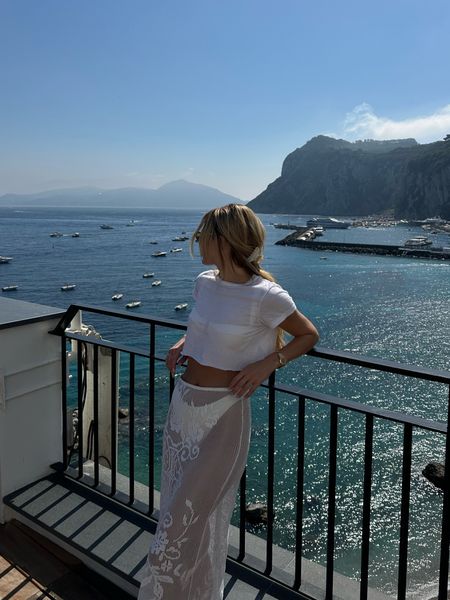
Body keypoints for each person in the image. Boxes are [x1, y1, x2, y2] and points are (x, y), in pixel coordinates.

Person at [138, 204, 319, 600]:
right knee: (184, 520)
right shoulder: (205, 281)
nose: (196, 240)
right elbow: (208, 325)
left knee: (175, 532)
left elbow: (308, 335)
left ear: (225, 240)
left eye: (203, 233)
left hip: (223, 416)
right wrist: (187, 343)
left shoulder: (266, 295)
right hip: (183, 407)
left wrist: (267, 364)